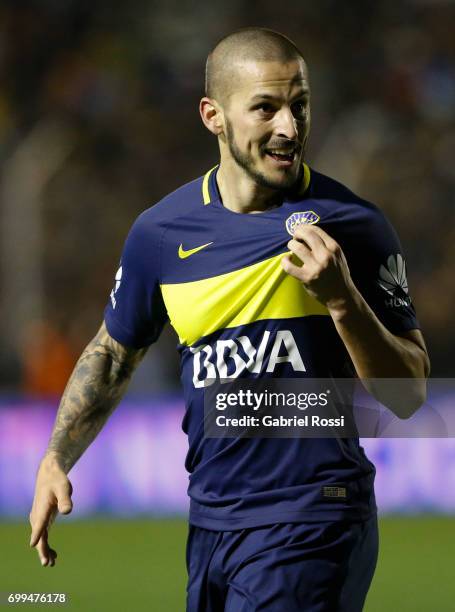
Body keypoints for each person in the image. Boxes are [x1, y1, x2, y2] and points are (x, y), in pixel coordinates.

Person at [29, 27, 430, 611]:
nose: (289, 128)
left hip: (313, 517)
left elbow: (410, 391)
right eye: (266, 107)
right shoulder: (162, 234)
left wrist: (341, 299)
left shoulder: (353, 224)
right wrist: (55, 457)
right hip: (212, 526)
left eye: (300, 105)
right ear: (213, 115)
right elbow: (113, 353)